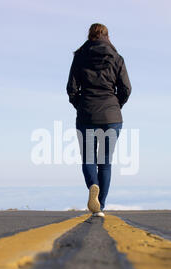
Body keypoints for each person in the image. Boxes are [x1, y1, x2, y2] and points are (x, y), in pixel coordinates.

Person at [67, 23, 132, 217]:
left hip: (87, 114)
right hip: (111, 116)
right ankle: (100, 206)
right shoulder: (117, 58)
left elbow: (71, 89)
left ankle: (92, 185)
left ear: (89, 35)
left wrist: (81, 104)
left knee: (88, 159)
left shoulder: (80, 57)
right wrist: (115, 106)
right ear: (107, 36)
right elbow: (126, 89)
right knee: (105, 162)